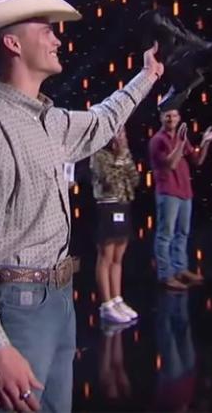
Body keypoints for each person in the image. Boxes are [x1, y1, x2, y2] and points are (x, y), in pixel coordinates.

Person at [0, 0, 163, 412]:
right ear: (12, 42)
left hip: (58, 301)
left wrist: (148, 74)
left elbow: (102, 121)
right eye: (46, 28)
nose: (58, 38)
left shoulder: (50, 121)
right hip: (19, 310)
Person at [149, 109, 212, 290]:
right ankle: (166, 275)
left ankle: (180, 269)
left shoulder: (181, 138)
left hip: (184, 192)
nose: (171, 118)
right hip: (168, 192)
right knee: (165, 235)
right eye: (167, 115)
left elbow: (197, 160)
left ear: (179, 118)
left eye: (174, 115)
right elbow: (171, 164)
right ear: (161, 118)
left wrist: (205, 142)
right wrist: (180, 143)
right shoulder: (158, 140)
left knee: (182, 234)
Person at [89, 127, 141, 324]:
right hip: (107, 207)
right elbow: (109, 180)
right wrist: (120, 159)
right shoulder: (98, 155)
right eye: (117, 134)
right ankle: (106, 304)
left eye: (123, 134)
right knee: (106, 256)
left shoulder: (125, 154)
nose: (120, 138)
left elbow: (134, 179)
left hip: (124, 205)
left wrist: (124, 157)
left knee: (118, 257)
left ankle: (117, 299)